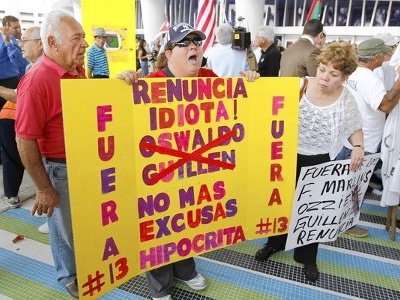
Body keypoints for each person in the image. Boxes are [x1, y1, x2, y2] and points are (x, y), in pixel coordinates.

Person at [117, 22, 259, 300]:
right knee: (160, 227)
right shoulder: (150, 83)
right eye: (184, 43)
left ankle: (184, 268)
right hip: (160, 174)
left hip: (196, 171)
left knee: (188, 221)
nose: (193, 45)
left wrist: (251, 82)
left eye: (197, 41)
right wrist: (120, 86)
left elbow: (236, 107)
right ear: (168, 53)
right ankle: (160, 286)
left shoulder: (208, 76)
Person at [255, 41, 364, 282]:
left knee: (313, 211)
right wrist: (253, 77)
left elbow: (354, 126)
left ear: (344, 77)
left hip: (322, 161)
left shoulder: (346, 98)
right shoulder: (301, 85)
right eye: (323, 69)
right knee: (281, 205)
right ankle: (275, 243)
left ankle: (307, 257)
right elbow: (263, 94)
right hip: (286, 157)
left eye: (333, 73)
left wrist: (358, 146)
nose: (324, 77)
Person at [15, 9, 88, 298]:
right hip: (60, 168)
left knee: (68, 227)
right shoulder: (37, 81)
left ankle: (74, 272)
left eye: (83, 37)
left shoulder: (76, 71)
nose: (84, 44)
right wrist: (44, 188)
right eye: (76, 38)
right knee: (66, 231)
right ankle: (70, 276)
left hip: (83, 163)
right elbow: (24, 140)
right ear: (52, 43)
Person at [336, 38, 400, 238]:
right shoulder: (369, 78)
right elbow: (385, 105)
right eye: (384, 54)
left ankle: (337, 218)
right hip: (366, 141)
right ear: (375, 57)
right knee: (357, 185)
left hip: (349, 137)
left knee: (345, 182)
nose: (386, 57)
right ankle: (348, 223)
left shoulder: (353, 73)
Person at [0, 26, 43, 210]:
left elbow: (22, 97)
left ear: (41, 44)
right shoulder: (30, 66)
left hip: (16, 117)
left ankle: (12, 195)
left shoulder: (41, 69)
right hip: (16, 116)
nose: (21, 44)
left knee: (14, 156)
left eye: (25, 41)